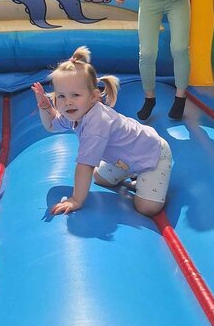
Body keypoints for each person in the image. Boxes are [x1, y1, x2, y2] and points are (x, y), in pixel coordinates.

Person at [31, 46, 172, 217]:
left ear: (94, 96)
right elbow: (52, 125)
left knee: (146, 208)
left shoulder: (97, 124)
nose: (68, 102)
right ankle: (133, 173)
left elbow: (85, 165)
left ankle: (148, 178)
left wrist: (76, 199)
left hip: (152, 154)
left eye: (75, 95)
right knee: (100, 178)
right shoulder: (75, 112)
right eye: (61, 96)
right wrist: (45, 107)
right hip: (125, 158)